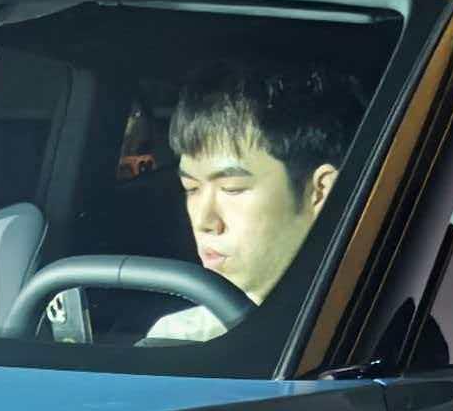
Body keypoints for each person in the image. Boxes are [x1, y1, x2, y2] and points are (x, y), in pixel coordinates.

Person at [147, 61, 357, 341]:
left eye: (231, 189)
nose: (204, 221)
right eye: (191, 188)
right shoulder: (178, 338)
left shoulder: (370, 334)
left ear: (320, 191)